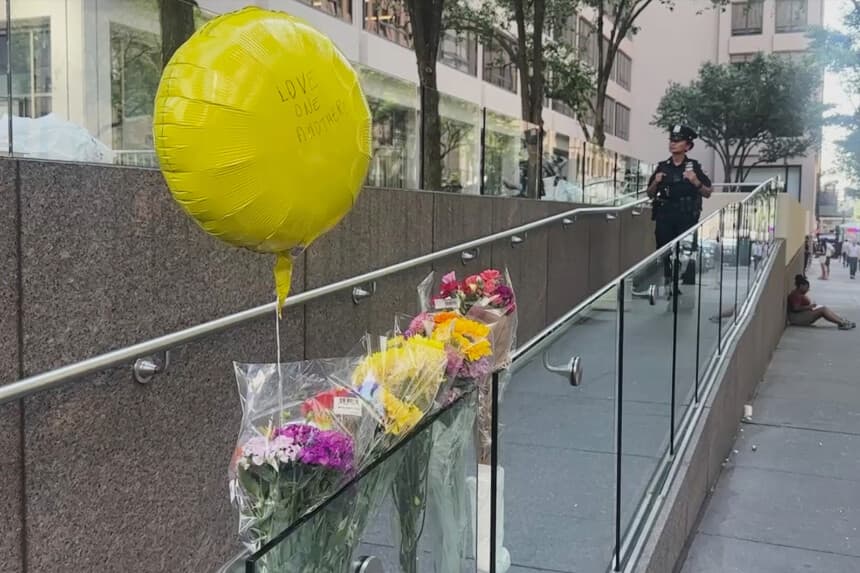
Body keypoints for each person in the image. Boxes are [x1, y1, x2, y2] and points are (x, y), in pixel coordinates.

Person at [646, 125, 713, 296]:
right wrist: (656, 181)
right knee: (664, 252)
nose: (673, 143)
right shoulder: (663, 166)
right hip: (665, 216)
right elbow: (649, 193)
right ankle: (668, 284)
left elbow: (707, 193)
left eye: (677, 140)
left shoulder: (693, 167)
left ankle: (681, 283)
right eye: (671, 140)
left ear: (687, 146)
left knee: (684, 254)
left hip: (686, 217)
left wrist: (695, 181)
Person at [788, 275, 855, 329]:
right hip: (797, 319)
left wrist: (810, 306)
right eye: (806, 287)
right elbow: (795, 308)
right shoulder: (796, 295)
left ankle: (841, 321)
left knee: (824, 308)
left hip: (802, 315)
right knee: (823, 310)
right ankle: (842, 323)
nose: (808, 289)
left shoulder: (799, 293)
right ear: (801, 286)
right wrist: (809, 307)